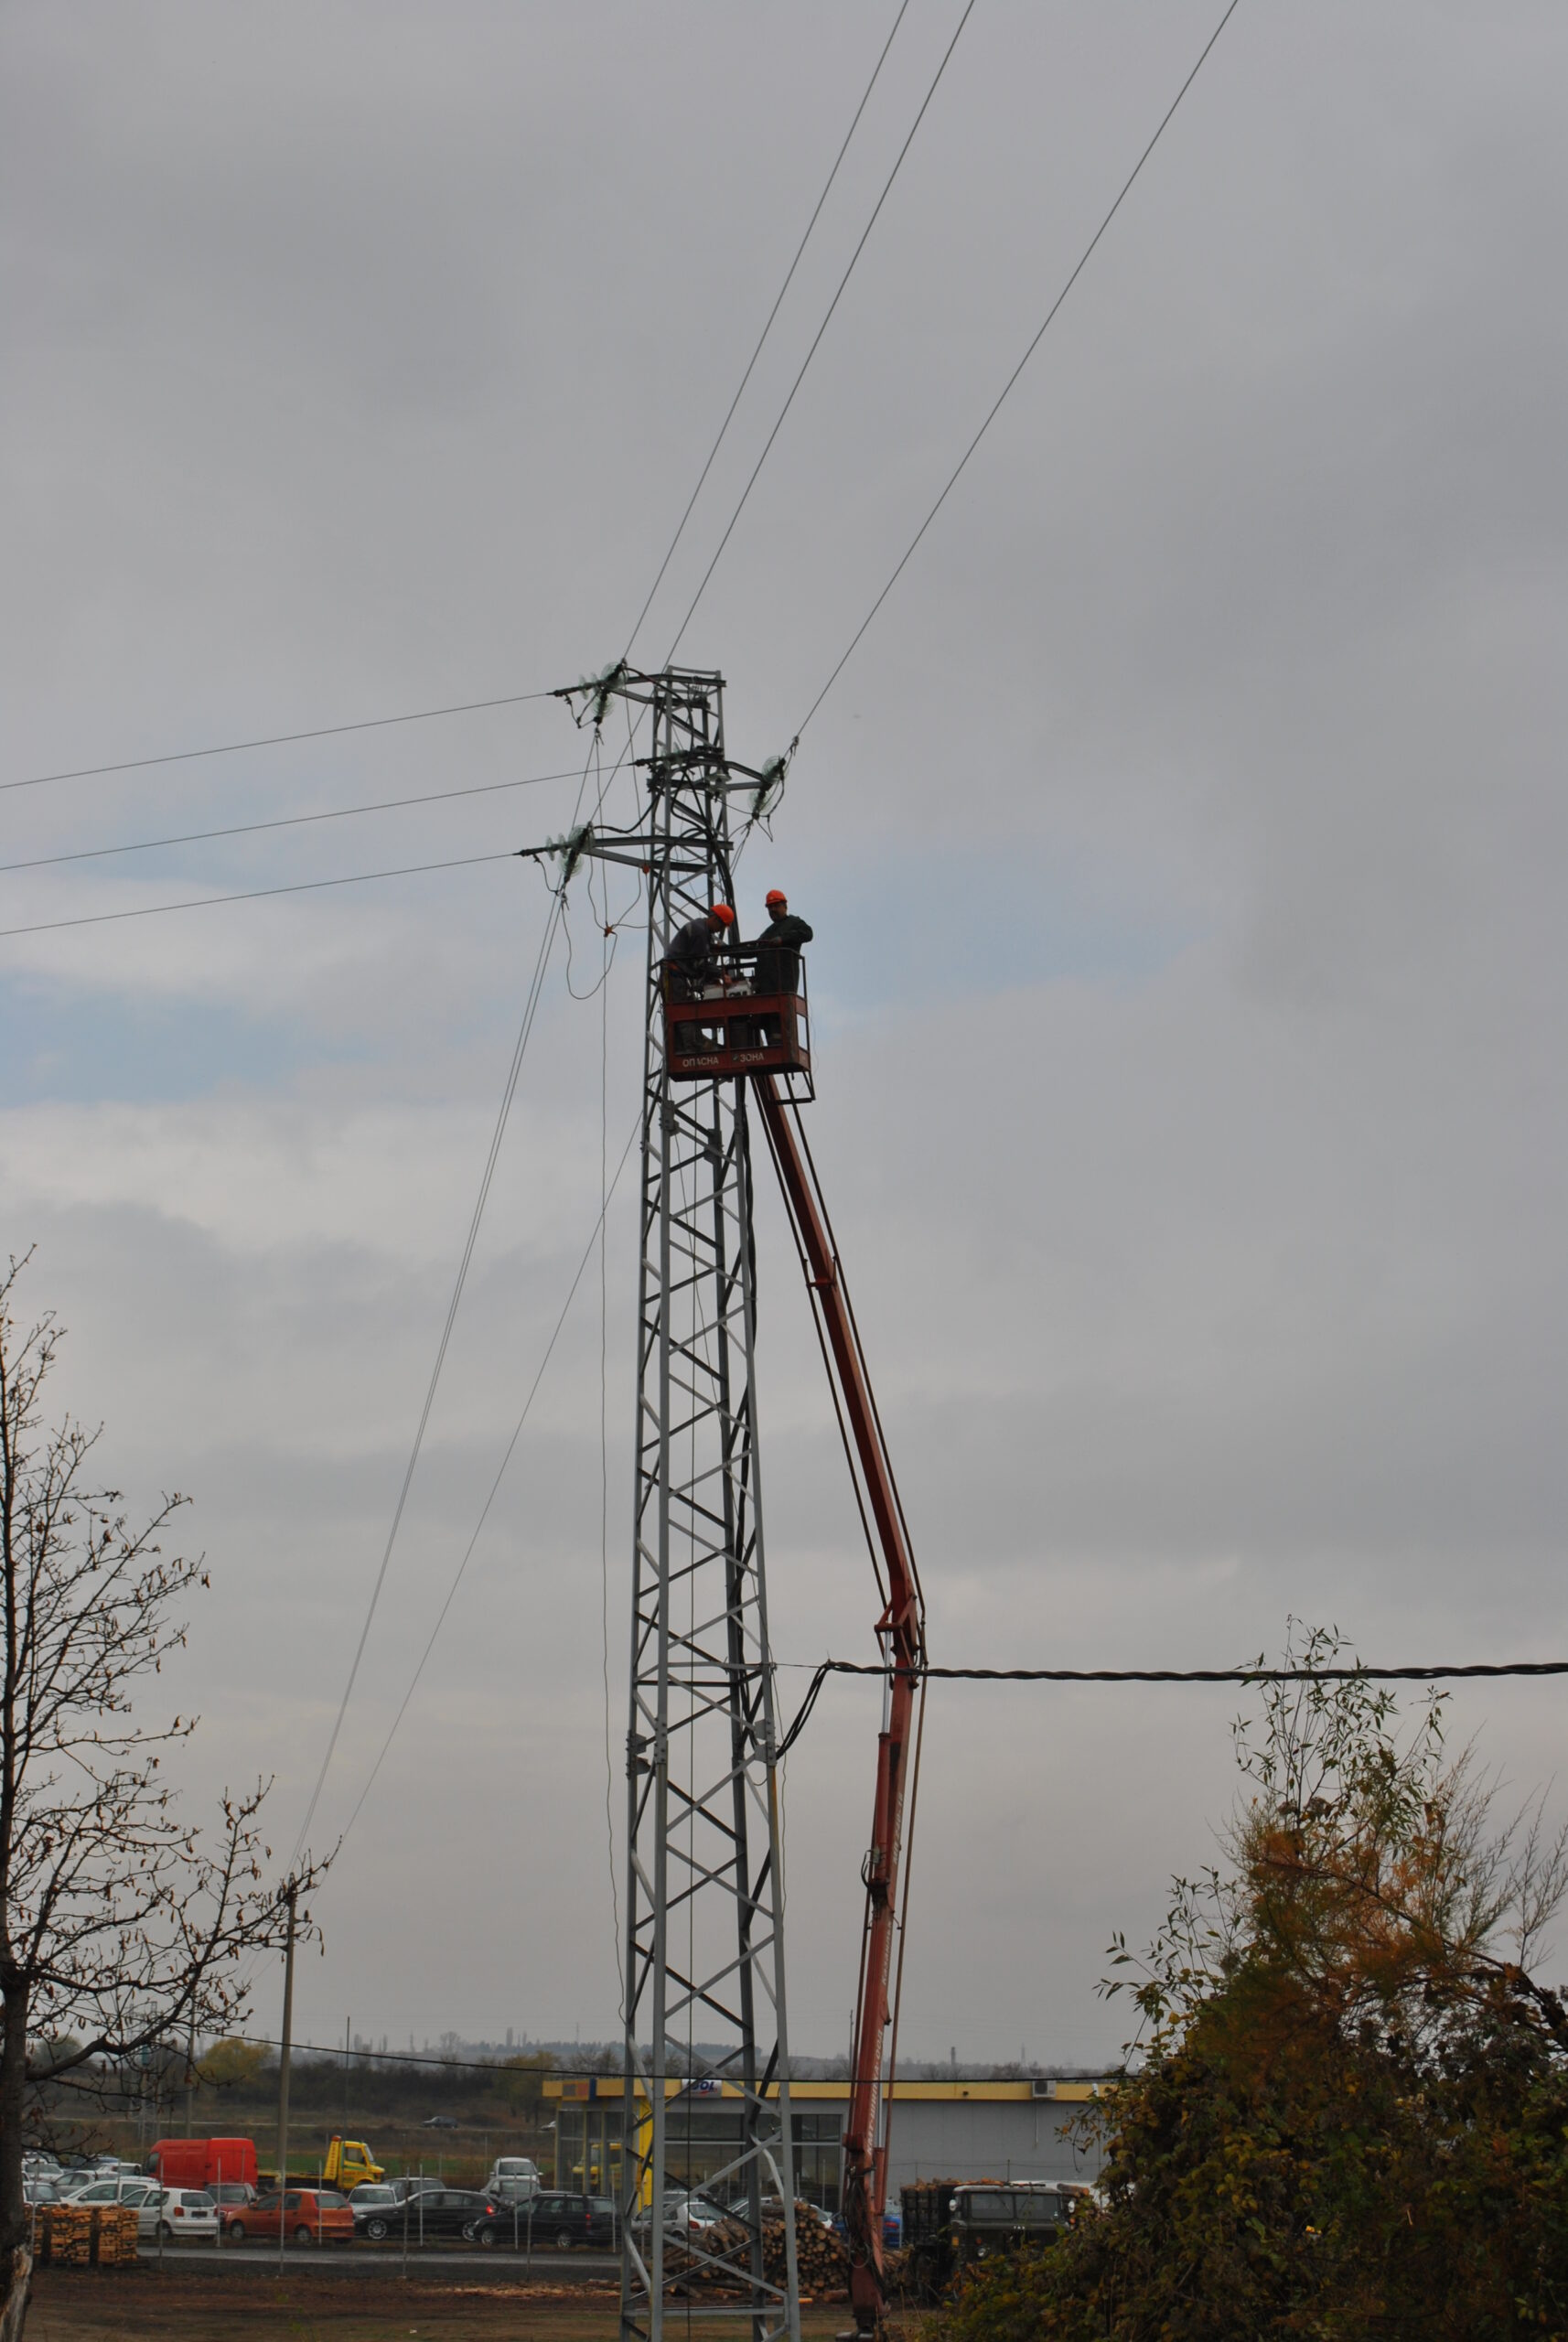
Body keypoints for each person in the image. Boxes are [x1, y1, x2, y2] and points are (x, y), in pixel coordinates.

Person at [750, 889, 813, 1046]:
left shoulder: (794, 923)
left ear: (785, 905)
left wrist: (783, 939)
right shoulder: (768, 932)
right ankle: (773, 1043)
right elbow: (752, 949)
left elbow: (808, 933)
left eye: (775, 906)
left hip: (783, 981)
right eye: (769, 907)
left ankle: (782, 1043)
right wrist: (725, 950)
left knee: (779, 1014)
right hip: (766, 984)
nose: (772, 910)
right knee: (765, 1016)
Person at [665, 901, 736, 999]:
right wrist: (721, 974)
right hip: (674, 976)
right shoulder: (700, 932)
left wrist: (710, 948)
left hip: (677, 975)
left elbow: (695, 951)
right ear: (715, 919)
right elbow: (700, 964)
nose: (721, 930)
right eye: (722, 926)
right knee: (683, 1010)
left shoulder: (702, 927)